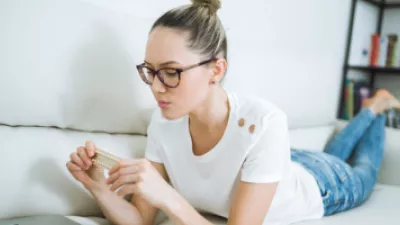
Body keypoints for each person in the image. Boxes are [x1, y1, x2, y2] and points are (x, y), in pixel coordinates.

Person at [66, 0, 400, 224]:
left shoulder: (266, 122)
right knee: (328, 155)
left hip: (322, 184)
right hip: (281, 164)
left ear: (216, 70)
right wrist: (97, 187)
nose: (155, 87)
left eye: (171, 71)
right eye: (150, 71)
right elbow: (140, 220)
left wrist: (168, 195)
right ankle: (373, 108)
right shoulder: (162, 122)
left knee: (363, 167)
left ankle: (375, 110)